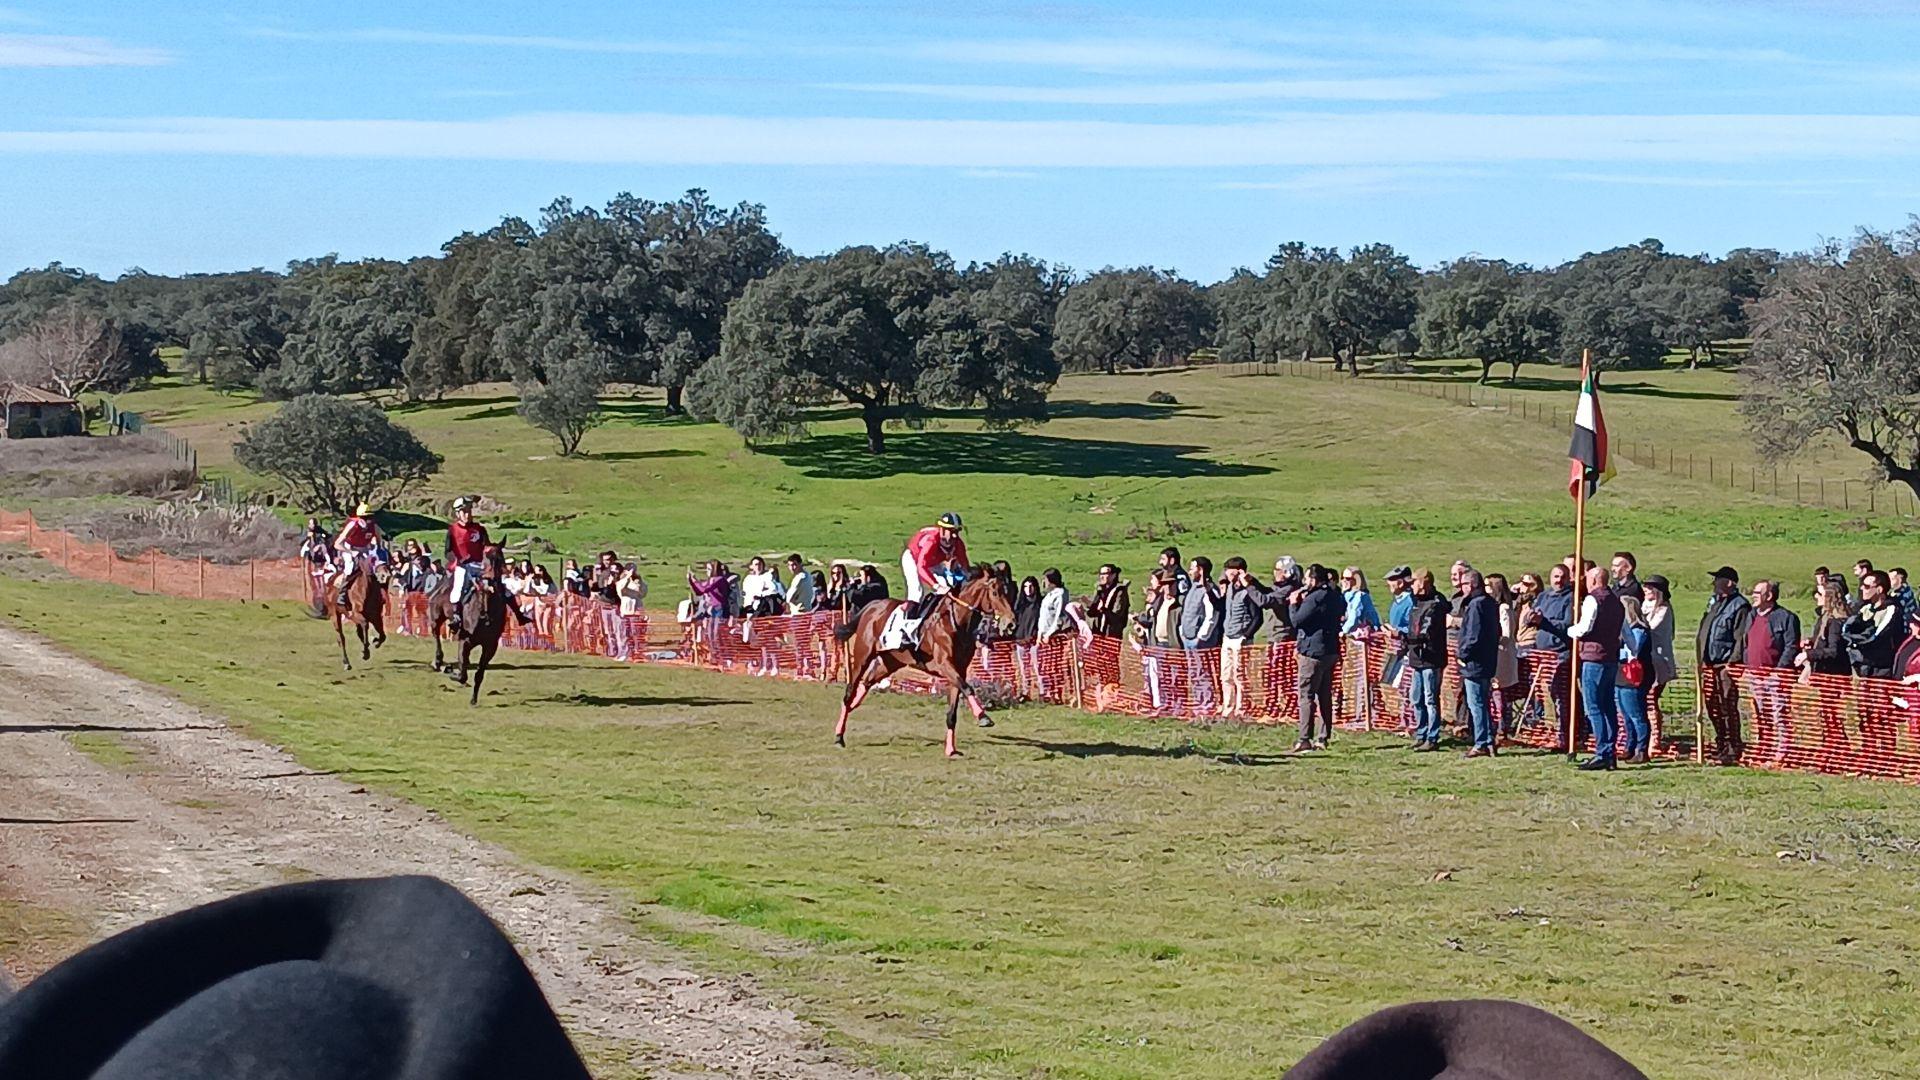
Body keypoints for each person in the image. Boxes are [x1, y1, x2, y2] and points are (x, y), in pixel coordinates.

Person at [1568, 565, 1625, 771]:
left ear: (1593, 581)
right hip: (1611, 657)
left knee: (1594, 707)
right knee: (1608, 706)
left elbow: (1585, 627)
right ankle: (1610, 753)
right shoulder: (1617, 602)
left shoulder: (1593, 599)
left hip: (1594, 658)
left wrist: (1570, 630)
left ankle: (1602, 752)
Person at [1696, 565, 1752, 764]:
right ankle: (1721, 743)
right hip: (1710, 664)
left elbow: (1741, 638)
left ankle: (1732, 746)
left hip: (1725, 665)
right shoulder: (1715, 604)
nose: (1714, 584)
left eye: (1718, 579)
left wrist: (1733, 663)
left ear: (1729, 583)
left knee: (1727, 705)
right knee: (1713, 706)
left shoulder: (1740, 606)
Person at [1742, 579, 1801, 765]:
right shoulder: (1751, 615)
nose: (1753, 595)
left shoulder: (1786, 617)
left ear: (1769, 596)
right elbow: (1746, 642)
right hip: (1754, 675)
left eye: (1758, 593)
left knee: (1779, 714)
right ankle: (1765, 747)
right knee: (1761, 714)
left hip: (1775, 676)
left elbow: (1791, 646)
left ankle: (1783, 750)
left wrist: (1780, 671)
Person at [1289, 564, 1346, 751]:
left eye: (1307, 579)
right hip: (1330, 650)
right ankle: (1323, 737)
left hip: (1312, 652)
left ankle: (1304, 738)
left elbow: (1297, 621)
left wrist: (1293, 604)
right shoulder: (1334, 596)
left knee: (1306, 696)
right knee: (1324, 695)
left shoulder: (1313, 598)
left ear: (1313, 579)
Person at [446, 497, 525, 626]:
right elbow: (448, 551)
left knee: (503, 588)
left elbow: (486, 546)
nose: (467, 514)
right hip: (463, 565)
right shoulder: (452, 530)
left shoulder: (480, 529)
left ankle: (519, 615)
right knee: (458, 588)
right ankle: (456, 618)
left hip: (480, 565)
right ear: (458, 514)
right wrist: (457, 559)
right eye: (464, 511)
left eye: (469, 511)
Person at [1526, 563, 1576, 746]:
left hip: (1560, 653)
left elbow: (1568, 625)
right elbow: (1531, 617)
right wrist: (1531, 619)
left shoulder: (1571, 598)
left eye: (1562, 577)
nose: (1559, 581)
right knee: (1539, 694)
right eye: (1556, 577)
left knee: (1560, 695)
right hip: (1541, 652)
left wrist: (1545, 622)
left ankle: (1564, 735)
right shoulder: (1543, 596)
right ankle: (1543, 730)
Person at [1455, 569, 1500, 758]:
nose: (1461, 588)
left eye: (1464, 584)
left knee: (1477, 704)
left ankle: (1481, 742)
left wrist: (1462, 655)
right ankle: (1489, 740)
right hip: (1488, 660)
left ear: (1472, 584)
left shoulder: (1475, 605)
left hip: (1474, 663)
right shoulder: (1490, 603)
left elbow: (1473, 636)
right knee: (1483, 702)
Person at [899, 512, 970, 628]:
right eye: (952, 532)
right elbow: (921, 567)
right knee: (916, 593)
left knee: (948, 588)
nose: (955, 536)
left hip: (932, 562)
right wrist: (935, 586)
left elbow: (966, 568)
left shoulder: (958, 544)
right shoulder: (931, 541)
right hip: (913, 559)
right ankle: (904, 626)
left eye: (957, 532)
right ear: (942, 530)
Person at [1406, 569, 1451, 751]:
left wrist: (1407, 639)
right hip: (1417, 658)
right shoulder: (1417, 602)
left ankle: (1432, 737)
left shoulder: (1436, 604)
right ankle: (1421, 733)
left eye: (1414, 582)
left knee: (1430, 699)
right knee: (1416, 698)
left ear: (1423, 583)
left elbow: (1426, 630)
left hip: (1431, 658)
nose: (1411, 586)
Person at [1218, 557, 1265, 718]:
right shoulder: (1230, 589)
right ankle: (1227, 708)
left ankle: (1241, 709)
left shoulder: (1248, 591)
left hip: (1241, 638)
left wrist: (1246, 635)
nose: (1227, 573)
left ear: (1239, 571)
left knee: (1240, 676)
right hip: (1228, 636)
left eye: (1230, 570)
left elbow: (1257, 617)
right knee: (1226, 675)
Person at [1178, 556, 1222, 712]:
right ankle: (1198, 705)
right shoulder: (1192, 589)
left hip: (1200, 641)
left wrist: (1201, 637)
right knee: (1194, 673)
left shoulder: (1209, 590)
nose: (1190, 571)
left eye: (1192, 568)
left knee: (1203, 673)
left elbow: (1212, 616)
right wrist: (1182, 630)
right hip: (1187, 637)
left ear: (1201, 570)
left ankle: (1207, 706)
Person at [1843, 569, 1902, 678]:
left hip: (1881, 668)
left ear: (1879, 589)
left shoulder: (1892, 610)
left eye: (1866, 586)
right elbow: (1846, 629)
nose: (1861, 589)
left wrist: (1855, 642)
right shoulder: (1865, 609)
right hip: (1862, 666)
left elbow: (1876, 637)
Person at [1616, 595, 1653, 764]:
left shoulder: (1638, 630)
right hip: (1621, 673)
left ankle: (1641, 748)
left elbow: (1634, 651)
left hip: (1634, 674)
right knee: (1625, 714)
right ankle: (1629, 746)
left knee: (1636, 713)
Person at [1640, 576, 1677, 737]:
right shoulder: (1644, 605)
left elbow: (1649, 629)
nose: (1645, 589)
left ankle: (1655, 737)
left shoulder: (1664, 609)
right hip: (1646, 659)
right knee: (1644, 699)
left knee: (1651, 698)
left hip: (1659, 659)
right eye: (1645, 586)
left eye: (1649, 587)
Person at [330, 502, 382, 608]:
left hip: (364, 549)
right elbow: (337, 544)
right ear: (360, 517)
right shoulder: (353, 525)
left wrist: (373, 549)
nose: (368, 520)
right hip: (348, 548)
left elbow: (378, 540)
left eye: (370, 517)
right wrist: (351, 552)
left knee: (374, 568)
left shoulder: (374, 526)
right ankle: (342, 595)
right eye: (366, 517)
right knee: (350, 569)